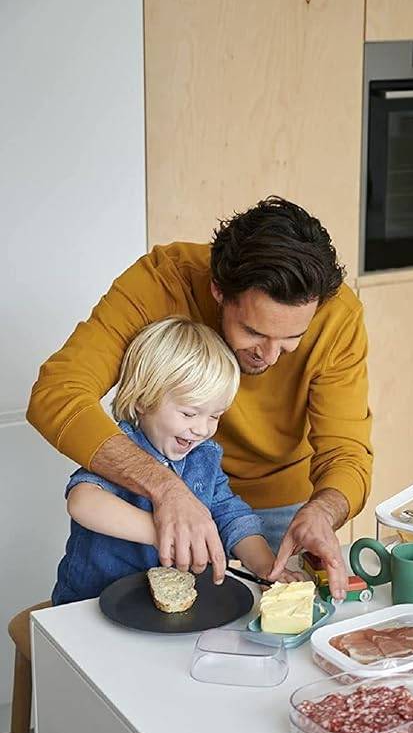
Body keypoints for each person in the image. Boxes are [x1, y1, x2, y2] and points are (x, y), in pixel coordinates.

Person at [28, 196, 373, 600]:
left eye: (292, 339)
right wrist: (167, 491)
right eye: (254, 332)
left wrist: (321, 512)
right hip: (162, 515)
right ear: (218, 291)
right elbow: (58, 392)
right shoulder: (162, 280)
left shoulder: (337, 315)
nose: (270, 354)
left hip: (273, 518)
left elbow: (347, 453)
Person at [52, 318, 300, 605]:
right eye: (189, 413)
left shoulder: (204, 456)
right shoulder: (120, 448)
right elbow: (83, 503)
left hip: (164, 609)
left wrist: (266, 568)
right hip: (88, 606)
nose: (202, 428)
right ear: (144, 400)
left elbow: (232, 517)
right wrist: (167, 532)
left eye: (215, 416)